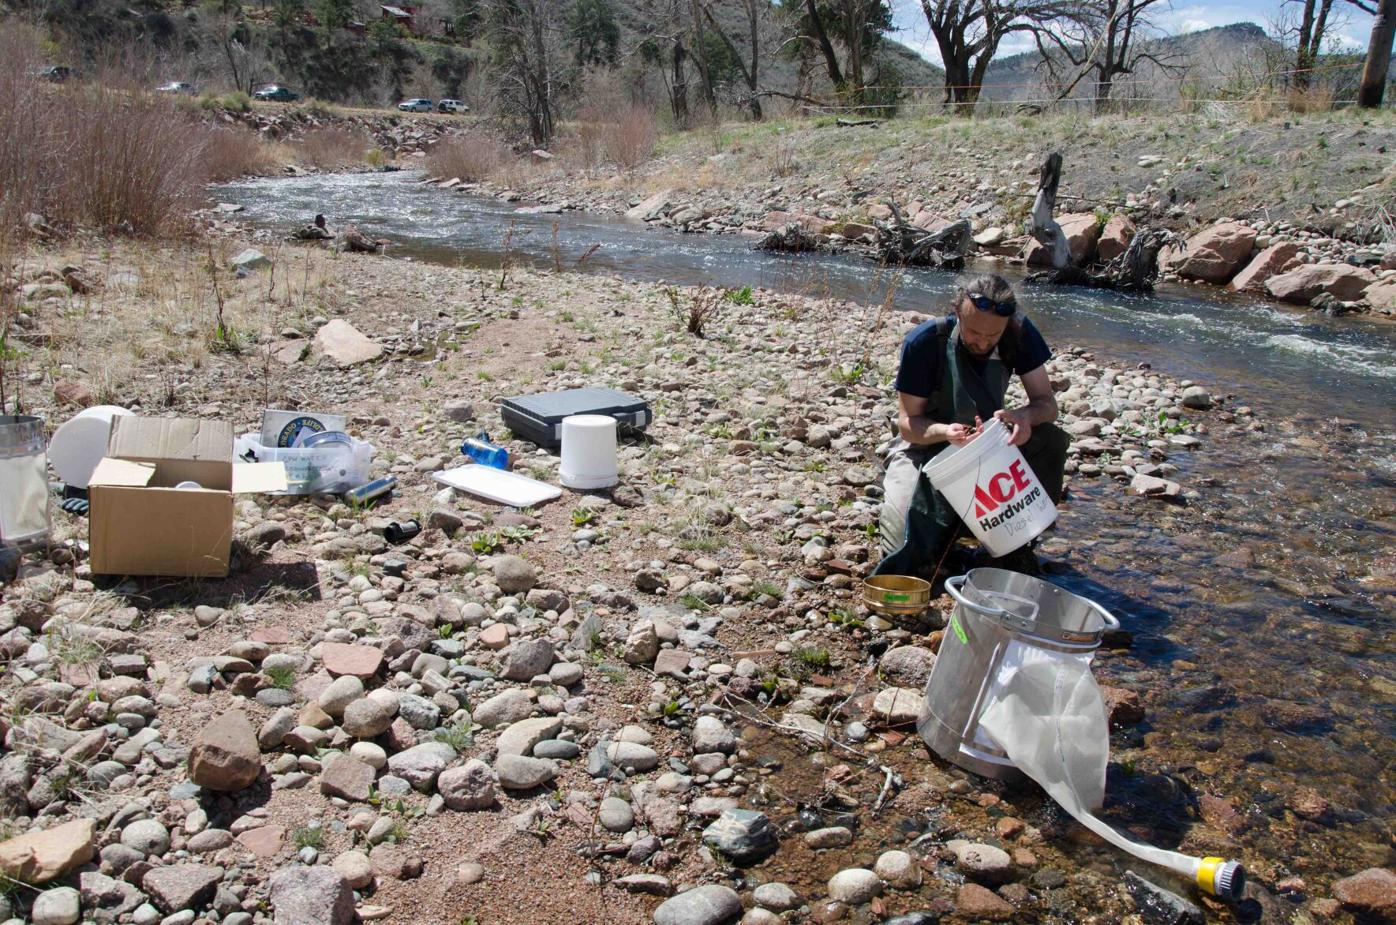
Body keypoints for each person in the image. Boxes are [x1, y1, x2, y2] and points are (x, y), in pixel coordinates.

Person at [876, 273, 1068, 577]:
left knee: (1051, 440)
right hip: (926, 446)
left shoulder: (1018, 333)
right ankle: (947, 532)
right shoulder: (925, 341)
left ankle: (1018, 544)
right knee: (901, 544)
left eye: (992, 337)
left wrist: (1025, 417)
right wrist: (944, 432)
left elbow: (1047, 403)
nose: (982, 342)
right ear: (957, 313)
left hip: (988, 447)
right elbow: (907, 424)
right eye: (974, 332)